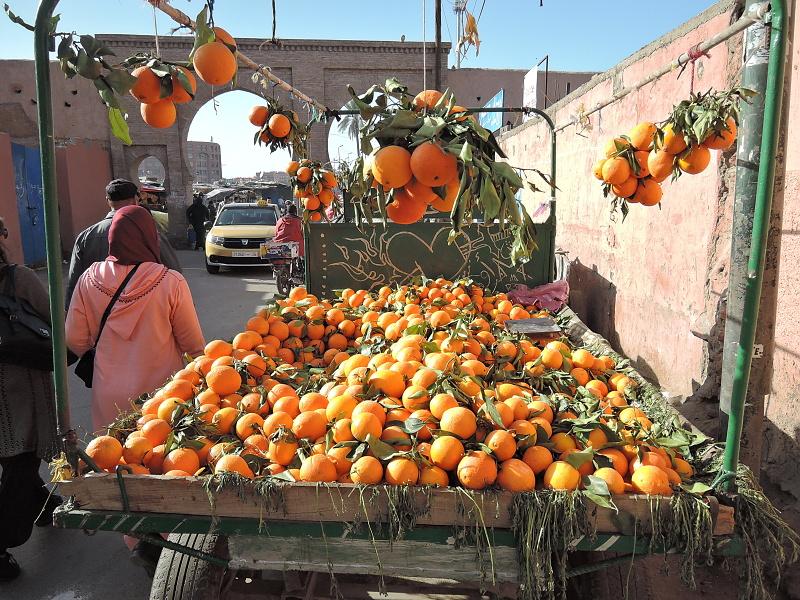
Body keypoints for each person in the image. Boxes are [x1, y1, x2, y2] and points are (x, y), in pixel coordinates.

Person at [66, 205, 206, 431]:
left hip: (109, 396)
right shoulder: (170, 281)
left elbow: (75, 340)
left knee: (111, 459)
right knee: (158, 461)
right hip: (163, 397)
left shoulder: (88, 279)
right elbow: (194, 346)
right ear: (150, 236)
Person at [0, 217, 60, 582]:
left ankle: (45, 503)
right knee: (21, 462)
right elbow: (55, 323)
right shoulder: (17, 279)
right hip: (17, 392)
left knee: (15, 463)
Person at [65, 179, 181, 310]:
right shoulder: (149, 233)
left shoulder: (86, 237)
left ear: (108, 200)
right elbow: (174, 273)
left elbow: (74, 285)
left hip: (99, 316)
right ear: (135, 200)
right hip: (144, 313)